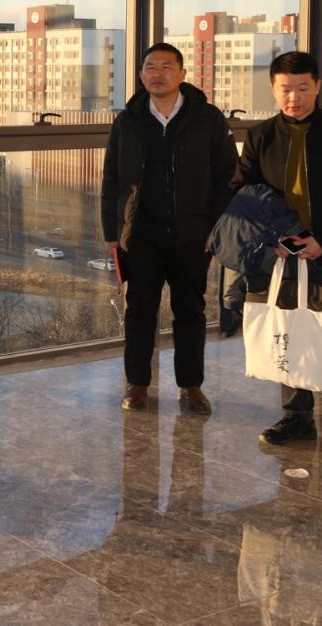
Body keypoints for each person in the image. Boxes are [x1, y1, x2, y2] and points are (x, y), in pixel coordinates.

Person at [235, 50, 322, 476]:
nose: (293, 97)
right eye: (285, 89)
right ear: (273, 89)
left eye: (302, 88)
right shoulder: (260, 135)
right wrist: (273, 239)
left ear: (317, 86)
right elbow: (243, 191)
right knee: (289, 333)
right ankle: (297, 418)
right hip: (281, 256)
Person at [101, 42, 237, 415]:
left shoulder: (207, 118)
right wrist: (113, 232)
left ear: (182, 74)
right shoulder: (128, 121)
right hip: (141, 234)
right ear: (141, 75)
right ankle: (137, 384)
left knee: (190, 310)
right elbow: (112, 179)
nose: (157, 74)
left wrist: (216, 228)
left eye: (165, 66)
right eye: (150, 67)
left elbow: (227, 176)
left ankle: (191, 386)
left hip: (193, 235)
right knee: (139, 310)